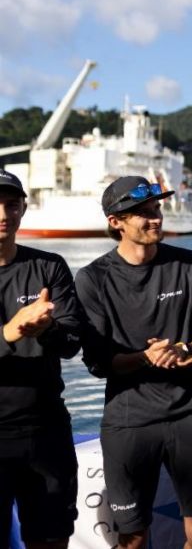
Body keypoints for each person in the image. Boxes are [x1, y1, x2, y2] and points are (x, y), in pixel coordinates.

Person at [77, 176, 192, 549]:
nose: (155, 217)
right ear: (116, 222)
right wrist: (145, 358)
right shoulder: (93, 278)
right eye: (142, 213)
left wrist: (183, 351)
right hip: (129, 421)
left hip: (190, 414)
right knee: (132, 534)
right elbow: (98, 361)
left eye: (156, 209)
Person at [0, 169, 83, 549]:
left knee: (50, 539)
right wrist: (10, 332)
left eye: (11, 204)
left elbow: (71, 343)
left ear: (23, 208)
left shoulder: (49, 268)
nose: (3, 213)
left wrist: (45, 330)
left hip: (45, 430)